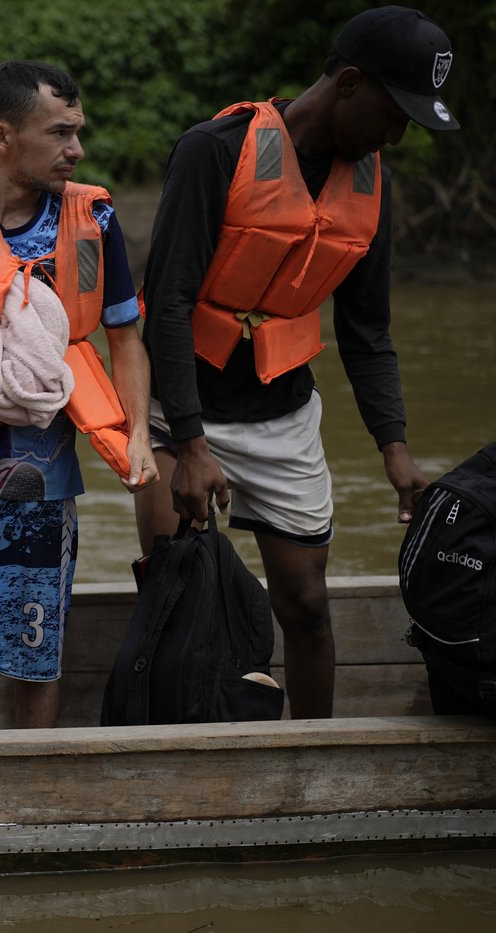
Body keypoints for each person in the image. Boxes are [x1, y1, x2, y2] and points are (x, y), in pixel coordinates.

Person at [135, 6, 458, 720]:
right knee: (178, 599)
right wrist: (187, 445)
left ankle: (310, 766)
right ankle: (173, 762)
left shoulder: (371, 184)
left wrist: (394, 449)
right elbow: (167, 303)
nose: (397, 134)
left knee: (309, 606)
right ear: (348, 83)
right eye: (394, 111)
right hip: (176, 415)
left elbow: (367, 331)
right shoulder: (214, 150)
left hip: (281, 416)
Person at [0, 61, 156, 730]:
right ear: (4, 135)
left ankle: (27, 807)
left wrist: (138, 438)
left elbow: (125, 337)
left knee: (34, 656)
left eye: (79, 132)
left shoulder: (93, 219)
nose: (77, 149)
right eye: (61, 133)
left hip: (40, 483)